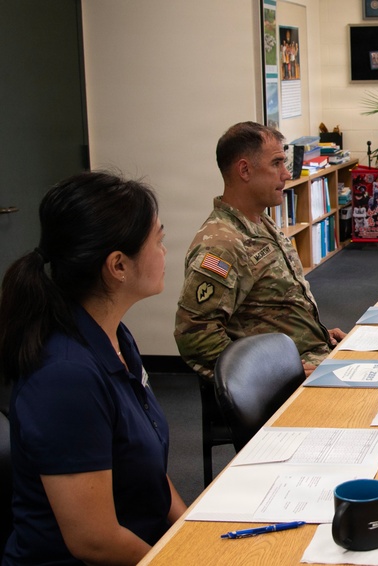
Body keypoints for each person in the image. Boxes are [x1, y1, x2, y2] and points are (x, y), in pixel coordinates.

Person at [0, 172, 186, 564]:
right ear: (118, 265)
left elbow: (148, 470)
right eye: (159, 241)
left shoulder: (114, 337)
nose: (165, 253)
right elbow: (95, 540)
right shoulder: (65, 377)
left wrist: (192, 533)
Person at [175, 122, 345, 379]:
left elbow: (270, 309)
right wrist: (271, 373)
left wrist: (318, 333)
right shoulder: (222, 244)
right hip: (284, 379)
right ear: (244, 170)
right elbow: (195, 335)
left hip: (309, 354)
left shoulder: (260, 221)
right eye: (277, 163)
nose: (286, 174)